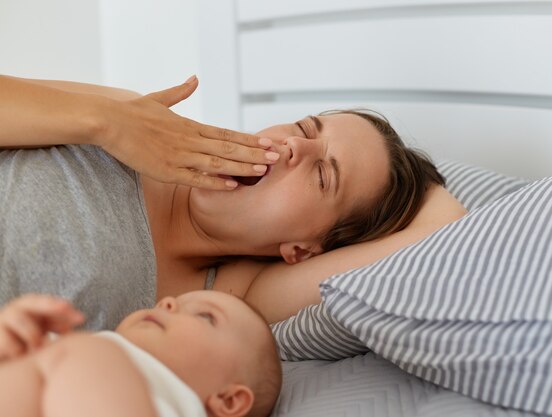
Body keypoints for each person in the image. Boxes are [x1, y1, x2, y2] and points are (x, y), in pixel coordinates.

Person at [0, 75, 467, 329]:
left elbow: (444, 227)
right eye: (304, 130)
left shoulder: (225, 300)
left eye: (323, 175)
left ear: (302, 250)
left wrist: (417, 181)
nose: (293, 148)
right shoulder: (133, 118)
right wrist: (106, 121)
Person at [0, 292, 282, 417]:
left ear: (229, 399)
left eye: (207, 317)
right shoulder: (90, 350)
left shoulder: (101, 357)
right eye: (169, 300)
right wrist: (14, 331)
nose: (168, 301)